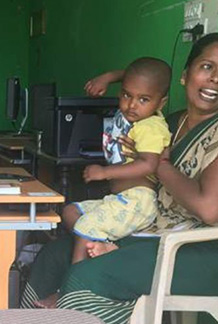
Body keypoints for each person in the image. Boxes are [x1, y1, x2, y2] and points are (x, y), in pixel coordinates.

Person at [21, 32, 218, 324]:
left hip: (215, 252)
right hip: (161, 234)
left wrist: (158, 164)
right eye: (206, 67)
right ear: (185, 75)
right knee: (55, 256)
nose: (216, 79)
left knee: (89, 273)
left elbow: (210, 210)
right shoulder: (171, 123)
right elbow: (141, 79)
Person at [62, 57, 172, 265]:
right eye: (126, 95)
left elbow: (149, 164)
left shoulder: (151, 126)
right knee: (70, 212)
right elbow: (133, 76)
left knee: (86, 225)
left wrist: (105, 173)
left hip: (137, 202)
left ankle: (75, 281)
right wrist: (107, 78)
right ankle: (105, 246)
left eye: (143, 99)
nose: (131, 105)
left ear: (161, 102)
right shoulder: (133, 115)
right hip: (119, 200)